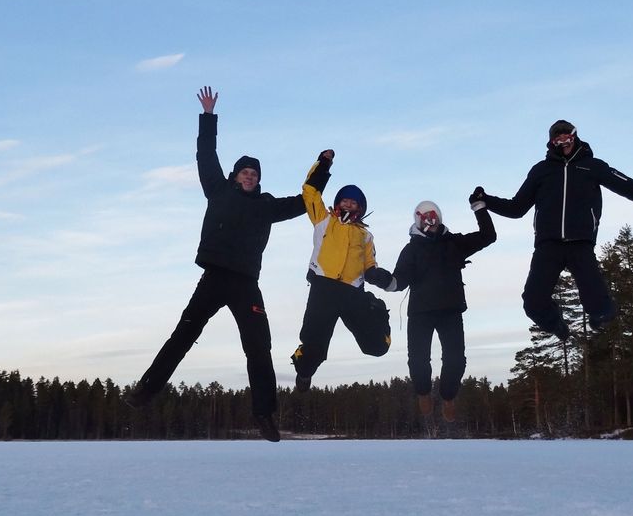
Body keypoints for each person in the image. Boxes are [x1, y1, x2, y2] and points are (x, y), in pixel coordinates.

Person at [127, 87, 306, 442]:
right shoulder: (218, 190)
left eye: (255, 173)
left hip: (246, 284)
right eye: (245, 172)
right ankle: (145, 391)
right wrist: (208, 117)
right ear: (235, 175)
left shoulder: (266, 206)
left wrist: (324, 170)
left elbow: (304, 202)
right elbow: (206, 155)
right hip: (214, 277)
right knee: (184, 333)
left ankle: (265, 415)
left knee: (259, 346)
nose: (250, 176)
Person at [477, 119, 633, 341]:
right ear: (551, 143)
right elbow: (516, 208)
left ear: (575, 138)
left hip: (581, 245)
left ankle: (600, 320)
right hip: (548, 247)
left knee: (601, 307)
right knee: (533, 304)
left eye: (567, 137)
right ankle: (557, 325)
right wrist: (486, 200)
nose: (563, 142)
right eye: (558, 139)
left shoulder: (593, 167)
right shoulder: (541, 171)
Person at [381, 197, 496, 424]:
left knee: (456, 361)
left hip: (450, 311)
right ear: (418, 221)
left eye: (433, 216)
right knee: (418, 361)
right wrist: (382, 279)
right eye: (425, 218)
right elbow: (398, 282)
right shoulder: (411, 250)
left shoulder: (453, 242)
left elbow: (488, 236)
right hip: (420, 313)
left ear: (439, 218)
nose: (430, 221)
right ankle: (423, 392)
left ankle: (448, 397)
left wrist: (480, 208)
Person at [289, 149, 393, 392]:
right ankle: (304, 374)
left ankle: (378, 316)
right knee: (313, 350)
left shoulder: (365, 236)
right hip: (323, 289)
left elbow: (370, 266)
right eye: (344, 199)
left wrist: (378, 276)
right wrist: (323, 164)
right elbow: (310, 191)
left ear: (361, 207)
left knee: (376, 347)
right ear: (337, 203)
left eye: (353, 201)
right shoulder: (324, 220)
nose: (348, 203)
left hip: (352, 293)